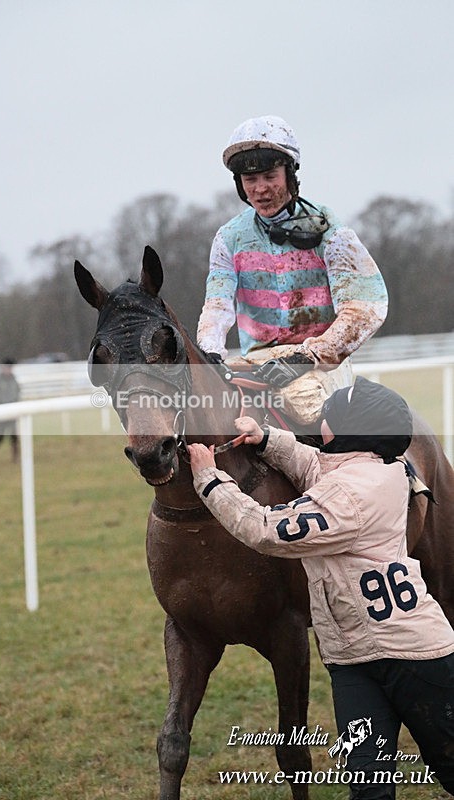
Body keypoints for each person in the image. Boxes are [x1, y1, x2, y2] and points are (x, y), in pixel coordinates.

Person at [188, 377, 454, 799]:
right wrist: (266, 437)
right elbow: (313, 463)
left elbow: (263, 529)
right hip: (353, 662)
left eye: (329, 415)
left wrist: (209, 479)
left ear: (352, 430)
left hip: (414, 659)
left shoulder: (348, 496)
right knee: (367, 786)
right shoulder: (368, 467)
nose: (319, 420)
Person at [197, 115, 389, 427]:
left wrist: (307, 357)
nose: (260, 189)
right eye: (250, 180)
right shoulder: (228, 238)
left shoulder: (331, 232)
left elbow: (365, 308)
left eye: (270, 176)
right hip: (255, 361)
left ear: (290, 173)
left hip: (320, 365)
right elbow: (217, 304)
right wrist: (211, 352)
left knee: (302, 403)